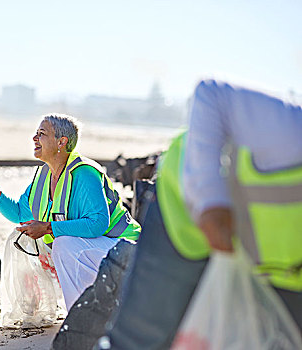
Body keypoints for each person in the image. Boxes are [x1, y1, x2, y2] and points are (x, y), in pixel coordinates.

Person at [97, 80, 302, 350]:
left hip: (275, 265)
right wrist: (211, 204)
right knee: (142, 337)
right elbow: (212, 94)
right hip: (186, 213)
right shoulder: (292, 131)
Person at [0, 114, 141, 309]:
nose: (34, 138)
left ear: (61, 142)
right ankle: (57, 308)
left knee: (63, 244)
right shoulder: (43, 175)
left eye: (42, 133)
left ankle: (80, 313)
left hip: (127, 249)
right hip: (98, 251)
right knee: (28, 242)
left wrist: (48, 228)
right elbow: (19, 214)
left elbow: (98, 223)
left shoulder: (84, 173)